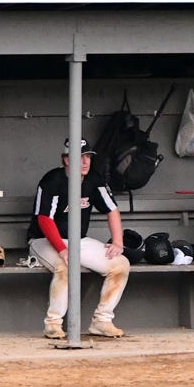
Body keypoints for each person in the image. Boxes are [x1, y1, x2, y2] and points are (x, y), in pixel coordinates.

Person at [26, 140, 129, 339]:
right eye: (79, 157)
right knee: (65, 266)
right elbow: (44, 219)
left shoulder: (94, 179)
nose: (85, 161)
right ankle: (53, 324)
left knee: (120, 264)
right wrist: (62, 250)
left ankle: (102, 320)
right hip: (43, 240)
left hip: (77, 240)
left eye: (88, 156)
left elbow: (112, 209)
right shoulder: (53, 180)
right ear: (66, 159)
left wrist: (118, 242)